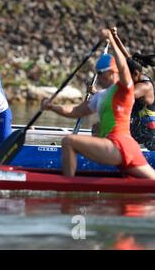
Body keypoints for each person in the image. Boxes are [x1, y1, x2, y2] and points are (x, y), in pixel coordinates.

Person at [41, 28, 155, 179]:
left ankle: (67, 189)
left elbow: (123, 65)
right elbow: (75, 111)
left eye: (101, 73)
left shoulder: (125, 89)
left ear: (111, 73)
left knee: (68, 141)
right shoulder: (101, 96)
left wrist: (111, 39)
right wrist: (52, 107)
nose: (98, 76)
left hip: (121, 144)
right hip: (128, 148)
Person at [110, 28, 155, 150]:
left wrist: (96, 93)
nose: (125, 78)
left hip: (148, 134)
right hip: (137, 126)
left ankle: (105, 153)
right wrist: (114, 38)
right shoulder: (136, 71)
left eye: (126, 75)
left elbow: (124, 96)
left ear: (135, 74)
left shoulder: (144, 87)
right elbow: (126, 56)